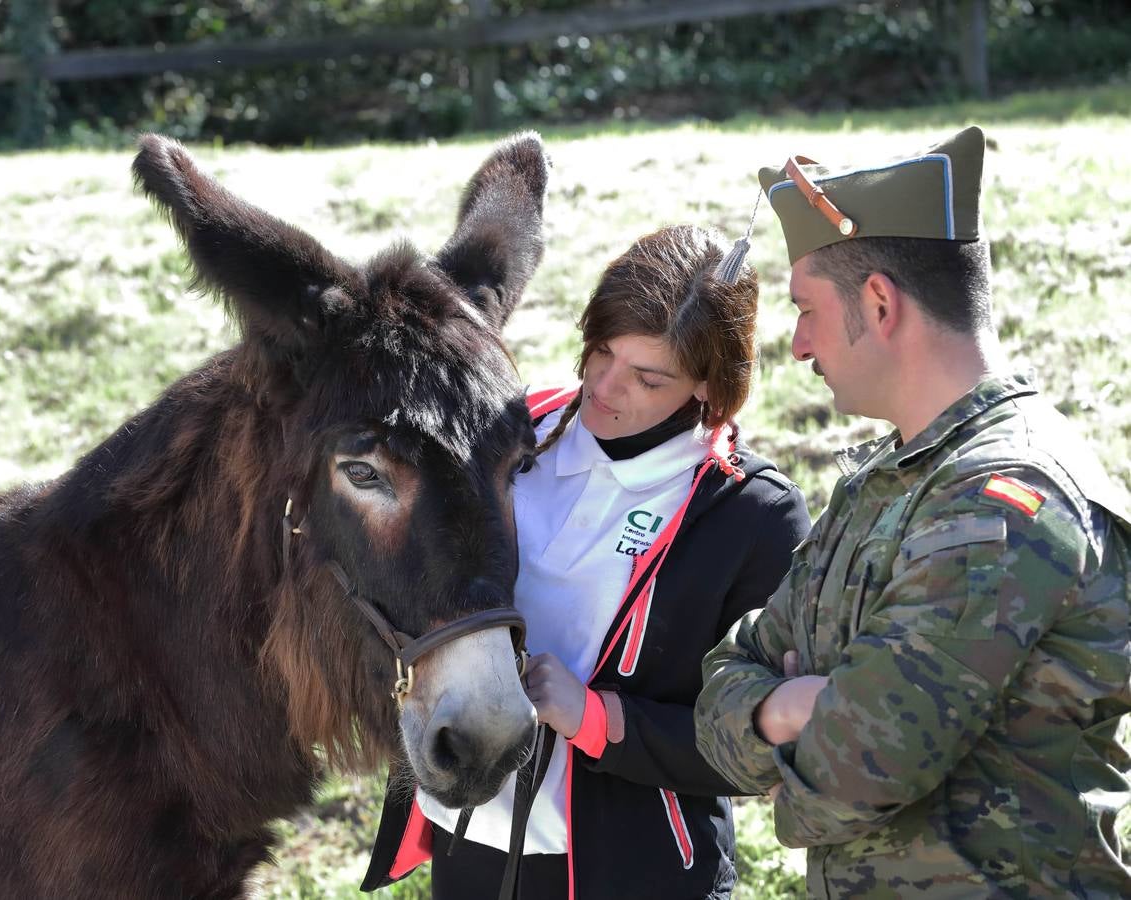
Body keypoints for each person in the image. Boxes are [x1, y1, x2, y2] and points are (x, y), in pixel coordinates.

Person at [693, 126, 1131, 898]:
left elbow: (865, 763)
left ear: (880, 302)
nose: (796, 345)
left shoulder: (1002, 497)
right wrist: (792, 708)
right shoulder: (889, 484)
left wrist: (791, 742)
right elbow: (721, 687)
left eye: (805, 310)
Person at [362, 224, 810, 899]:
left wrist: (596, 718)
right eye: (601, 350)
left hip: (634, 872)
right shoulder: (503, 435)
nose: (603, 386)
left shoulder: (753, 516)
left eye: (647, 377)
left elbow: (756, 747)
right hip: (466, 846)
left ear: (712, 389)